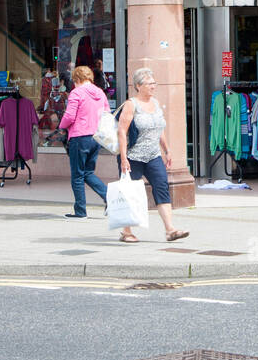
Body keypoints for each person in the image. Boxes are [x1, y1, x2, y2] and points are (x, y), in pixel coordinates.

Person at [117, 67, 189, 244]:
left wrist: (167, 149)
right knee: (130, 193)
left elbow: (159, 129)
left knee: (162, 186)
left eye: (154, 83)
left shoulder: (155, 104)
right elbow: (121, 132)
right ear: (138, 86)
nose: (153, 86)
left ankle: (170, 229)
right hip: (133, 157)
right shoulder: (131, 105)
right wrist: (124, 158)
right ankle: (126, 231)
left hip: (153, 156)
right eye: (149, 84)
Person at [59, 65, 109, 219]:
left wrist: (61, 127)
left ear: (78, 79)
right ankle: (110, 198)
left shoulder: (76, 93)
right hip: (96, 137)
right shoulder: (100, 92)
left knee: (77, 175)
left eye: (74, 80)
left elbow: (69, 116)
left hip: (79, 137)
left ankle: (80, 211)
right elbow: (107, 113)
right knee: (88, 172)